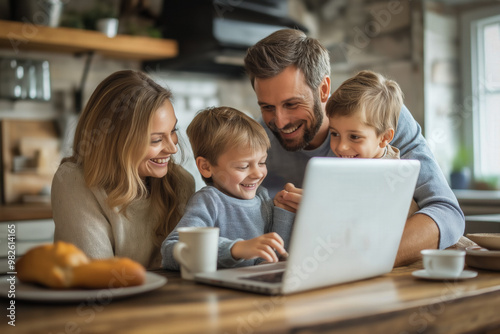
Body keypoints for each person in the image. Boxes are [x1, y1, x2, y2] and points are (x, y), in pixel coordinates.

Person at [244, 29, 465, 266]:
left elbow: (446, 213)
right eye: (267, 107)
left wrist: (359, 261)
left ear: (324, 89)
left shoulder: (379, 118)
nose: (279, 121)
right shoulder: (257, 142)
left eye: (291, 104)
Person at [51, 70, 195, 270]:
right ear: (117, 142)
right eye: (156, 139)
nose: (172, 148)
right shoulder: (74, 181)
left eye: (173, 131)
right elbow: (96, 275)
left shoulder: (181, 182)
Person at [161, 107, 294, 270]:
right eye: (243, 166)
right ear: (206, 167)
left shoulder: (262, 198)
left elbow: (276, 255)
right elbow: (170, 251)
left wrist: (284, 213)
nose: (258, 173)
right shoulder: (209, 202)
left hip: (255, 286)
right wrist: (235, 249)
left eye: (262, 162)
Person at [326, 70, 419, 216]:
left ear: (384, 138)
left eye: (355, 137)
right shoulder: (359, 163)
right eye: (335, 134)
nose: (341, 146)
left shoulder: (390, 176)